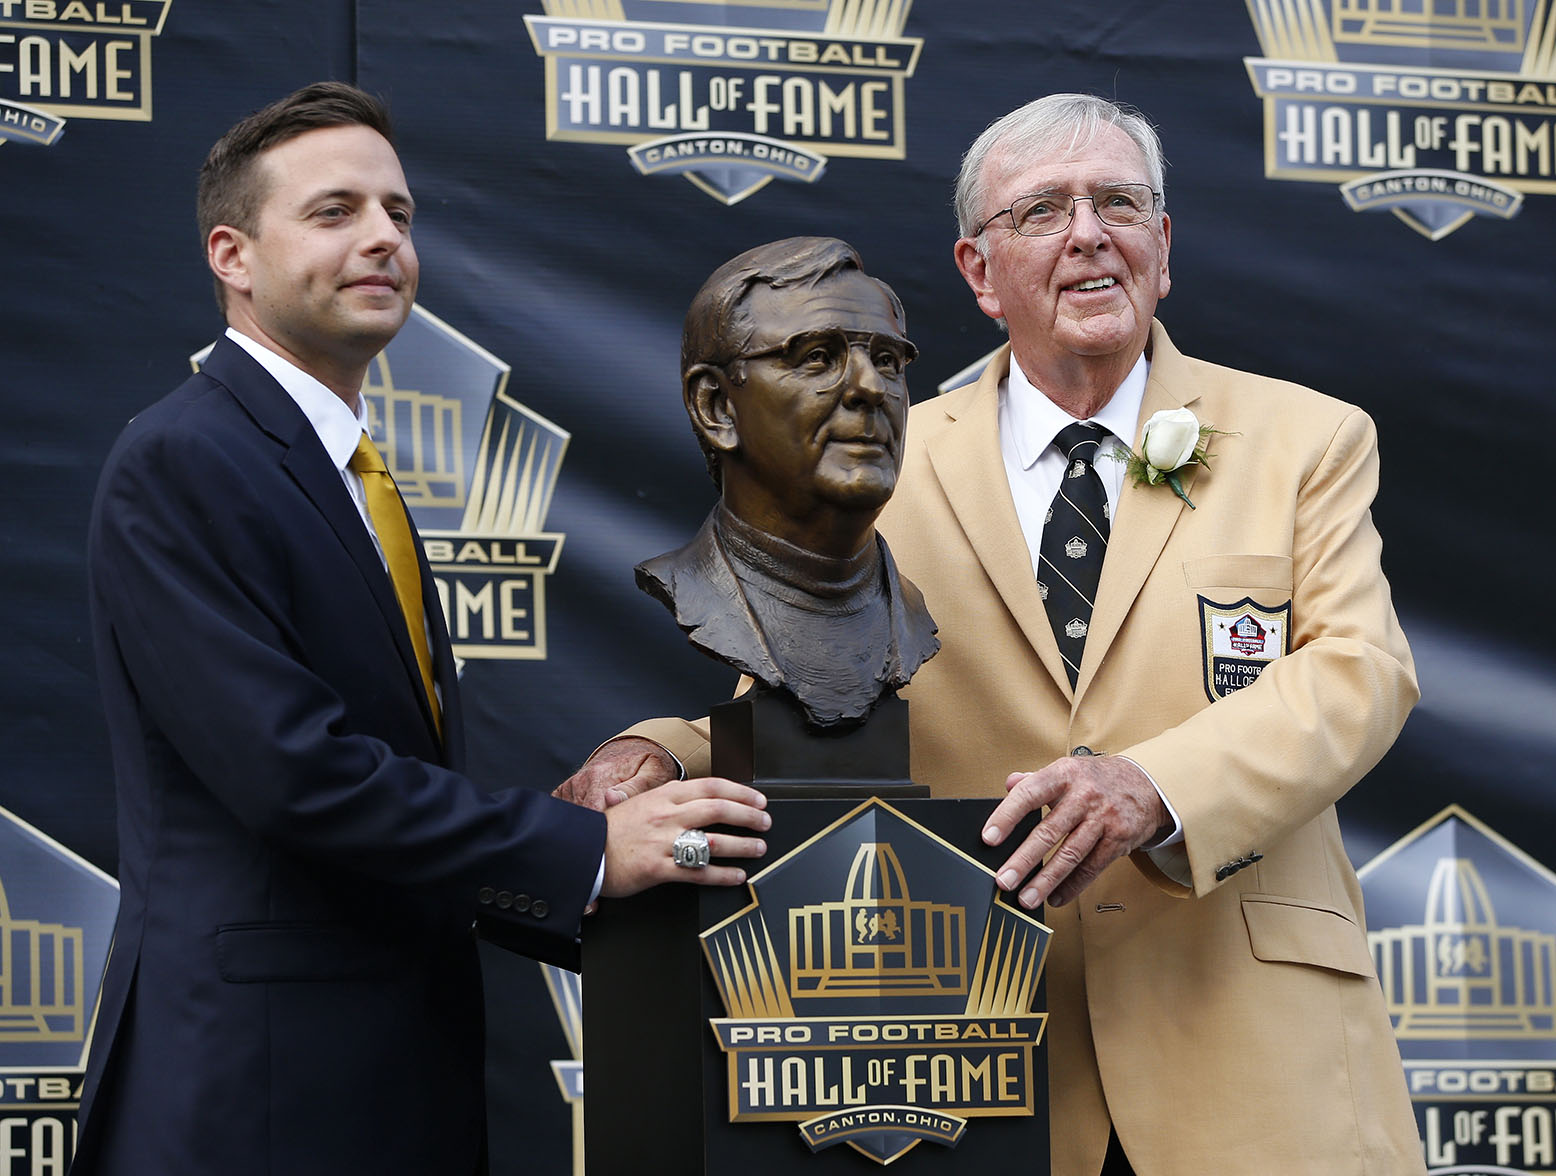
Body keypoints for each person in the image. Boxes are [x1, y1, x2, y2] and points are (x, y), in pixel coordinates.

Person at [566, 94, 1424, 1175]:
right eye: (1042, 211)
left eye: (1119, 202)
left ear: (1161, 247)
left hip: (1252, 1054)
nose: (1087, 233)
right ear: (978, 273)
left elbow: (1359, 674)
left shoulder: (1306, 438)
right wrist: (658, 752)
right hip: (991, 1067)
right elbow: (801, 709)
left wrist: (1154, 787)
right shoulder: (881, 458)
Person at [75, 81, 768, 1176]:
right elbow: (294, 775)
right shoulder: (183, 461)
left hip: (385, 1083)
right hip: (254, 1099)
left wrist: (609, 859)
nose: (382, 239)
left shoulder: (347, 471)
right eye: (333, 211)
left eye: (398, 213)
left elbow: (382, 790)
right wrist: (590, 852)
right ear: (232, 255)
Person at [635, 236, 938, 730]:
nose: (869, 388)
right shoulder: (692, 588)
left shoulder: (911, 609)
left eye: (887, 361)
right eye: (818, 356)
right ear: (716, 406)